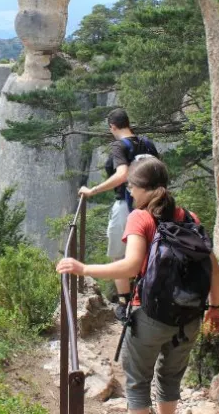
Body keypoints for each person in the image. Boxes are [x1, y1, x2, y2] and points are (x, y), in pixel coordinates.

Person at [59, 157, 219, 414]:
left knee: (137, 385)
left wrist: (83, 268)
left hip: (150, 317)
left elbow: (131, 266)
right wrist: (214, 307)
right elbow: (214, 268)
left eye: (132, 186)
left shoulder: (140, 218)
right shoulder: (190, 217)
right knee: (170, 380)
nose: (130, 191)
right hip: (189, 317)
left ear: (145, 189)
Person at [78, 108, 159, 309]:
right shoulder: (147, 144)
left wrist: (92, 190)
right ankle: (147, 297)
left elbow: (122, 174)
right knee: (149, 251)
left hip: (126, 205)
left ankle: (125, 303)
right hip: (153, 206)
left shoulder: (118, 146)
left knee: (119, 254)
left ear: (112, 127)